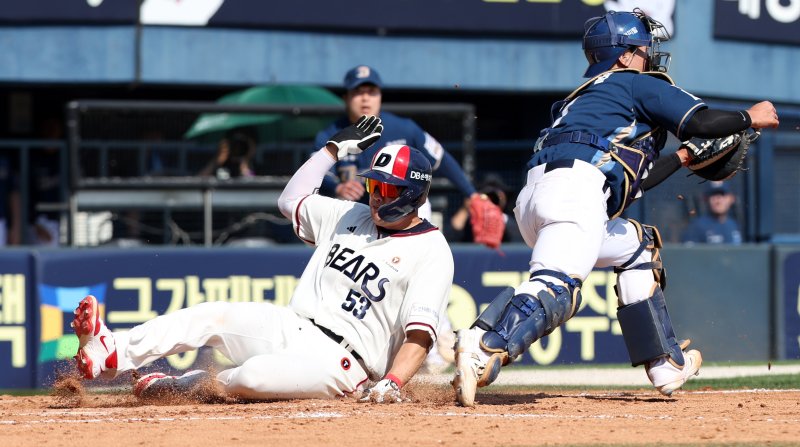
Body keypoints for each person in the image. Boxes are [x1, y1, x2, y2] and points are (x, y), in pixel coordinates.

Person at [451, 9, 780, 407]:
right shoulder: (633, 83)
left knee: (638, 247)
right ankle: (486, 344)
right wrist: (751, 116)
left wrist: (683, 160)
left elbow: (630, 177)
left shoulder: (581, 100)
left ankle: (665, 364)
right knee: (557, 289)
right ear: (623, 55)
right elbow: (701, 121)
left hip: (541, 199)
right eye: (642, 48)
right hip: (574, 195)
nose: (649, 56)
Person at [71, 115, 455, 403]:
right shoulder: (350, 215)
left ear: (412, 194)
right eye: (373, 185)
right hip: (292, 325)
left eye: (387, 188)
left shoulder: (432, 250)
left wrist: (394, 382)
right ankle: (111, 350)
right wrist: (332, 149)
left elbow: (419, 335)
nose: (376, 195)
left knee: (252, 377)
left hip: (343, 363)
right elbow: (289, 201)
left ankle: (180, 387)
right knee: (213, 315)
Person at [316, 65, 482, 371]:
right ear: (346, 97)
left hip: (408, 213)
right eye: (358, 92)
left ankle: (431, 345)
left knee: (417, 276)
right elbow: (317, 168)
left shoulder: (402, 128)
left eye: (372, 91)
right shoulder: (331, 135)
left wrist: (470, 194)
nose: (365, 98)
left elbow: (442, 158)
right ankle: (428, 342)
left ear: (379, 96)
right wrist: (335, 185)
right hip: (362, 218)